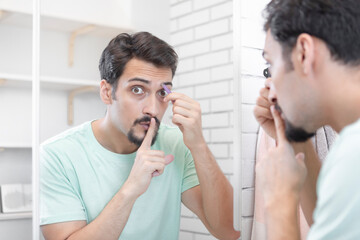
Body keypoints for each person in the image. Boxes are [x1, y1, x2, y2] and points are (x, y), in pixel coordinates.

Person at [40, 32, 240, 240]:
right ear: (107, 92)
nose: (153, 109)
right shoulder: (57, 155)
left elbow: (229, 231)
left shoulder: (176, 144)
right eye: (137, 89)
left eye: (162, 93)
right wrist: (131, 189)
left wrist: (198, 145)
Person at [254, 0, 360, 239]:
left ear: (303, 53)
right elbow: (327, 220)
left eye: (270, 65)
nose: (271, 91)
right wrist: (295, 138)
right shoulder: (350, 146)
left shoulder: (354, 155)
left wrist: (278, 201)